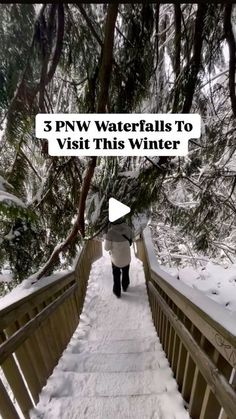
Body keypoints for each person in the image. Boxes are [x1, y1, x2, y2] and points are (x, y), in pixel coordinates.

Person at [104, 218, 133, 298]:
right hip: (127, 258)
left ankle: (117, 291)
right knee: (125, 272)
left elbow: (106, 248)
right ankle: (125, 285)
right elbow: (130, 242)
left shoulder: (110, 233)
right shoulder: (129, 230)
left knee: (116, 275)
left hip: (116, 260)